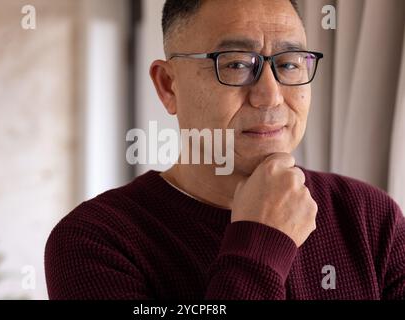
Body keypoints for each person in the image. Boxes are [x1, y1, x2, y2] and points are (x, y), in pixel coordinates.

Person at [45, 0, 405, 299]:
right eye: (235, 64)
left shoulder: (368, 216)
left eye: (289, 64)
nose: (271, 95)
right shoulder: (96, 241)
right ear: (168, 86)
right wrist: (262, 242)